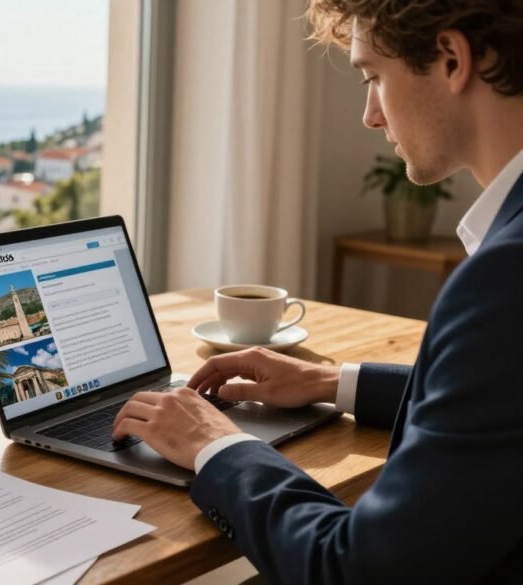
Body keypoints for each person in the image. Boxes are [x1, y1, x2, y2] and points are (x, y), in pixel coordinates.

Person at [111, 1, 523, 582]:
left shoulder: (504, 279)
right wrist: (331, 382)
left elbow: (354, 569)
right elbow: (495, 400)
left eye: (374, 77)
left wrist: (215, 445)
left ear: (453, 60)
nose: (370, 116)